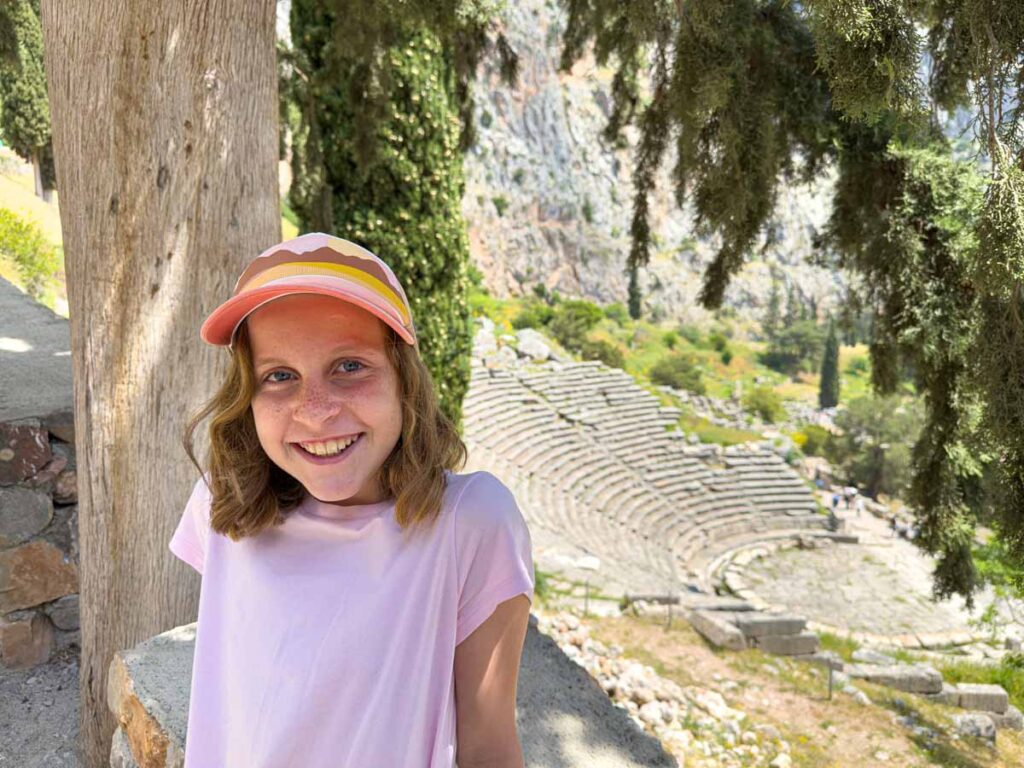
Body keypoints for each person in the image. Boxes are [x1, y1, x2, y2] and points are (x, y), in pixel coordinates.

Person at [170, 232, 535, 767]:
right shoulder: (222, 506)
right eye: (278, 376)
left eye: (349, 367)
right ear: (246, 396)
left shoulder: (470, 522)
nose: (315, 411)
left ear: (404, 380)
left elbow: (488, 747)